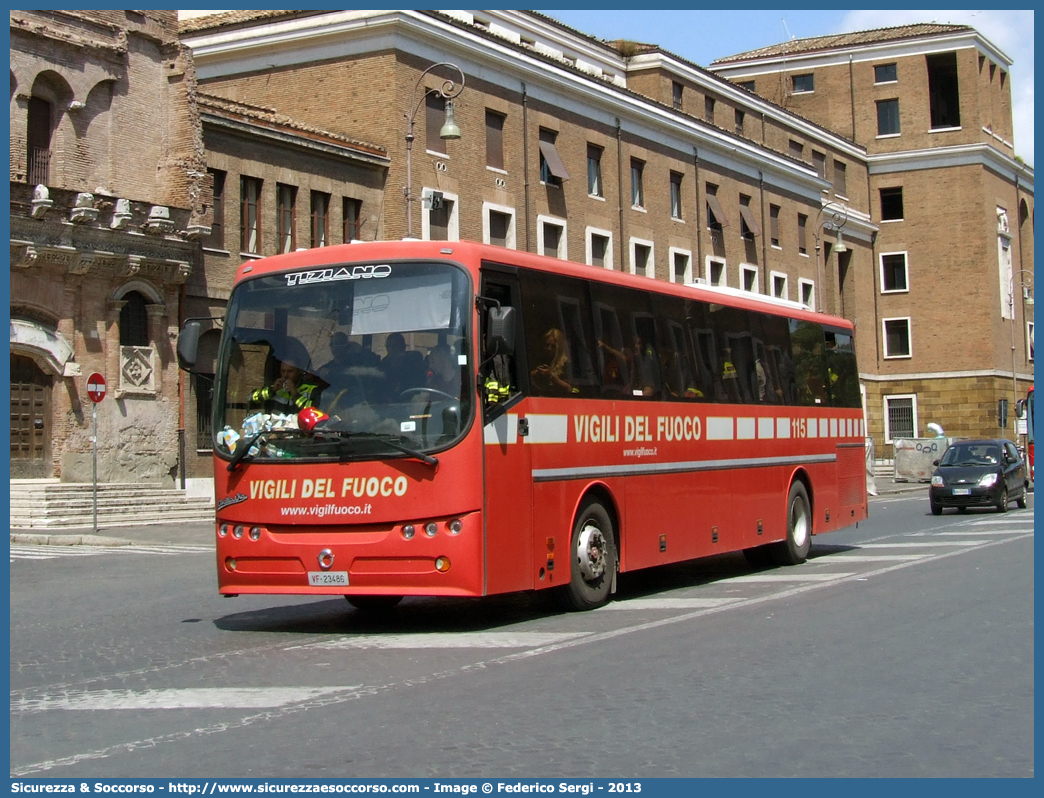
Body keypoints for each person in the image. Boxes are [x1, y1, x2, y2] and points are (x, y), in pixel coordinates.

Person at [251, 356, 320, 413]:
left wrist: (295, 395)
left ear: (299, 371)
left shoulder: (311, 389)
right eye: (283, 371)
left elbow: (315, 412)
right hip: (276, 428)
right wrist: (272, 390)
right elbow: (250, 399)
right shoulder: (276, 387)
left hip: (300, 429)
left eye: (290, 371)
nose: (285, 375)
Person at [531, 328, 575, 395]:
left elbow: (569, 388)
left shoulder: (565, 364)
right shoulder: (538, 360)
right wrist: (535, 373)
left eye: (553, 346)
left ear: (558, 348)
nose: (549, 349)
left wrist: (551, 376)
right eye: (547, 345)